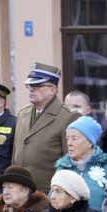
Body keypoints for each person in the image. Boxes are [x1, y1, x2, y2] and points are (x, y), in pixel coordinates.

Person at [12, 62, 74, 193]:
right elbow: (15, 157)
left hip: (48, 195)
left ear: (53, 89)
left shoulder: (68, 116)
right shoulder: (23, 114)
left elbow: (71, 162)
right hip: (21, 194)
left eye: (37, 86)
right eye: (30, 85)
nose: (31, 89)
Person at [54, 116, 107, 211]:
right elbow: (52, 202)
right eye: (68, 138)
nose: (69, 143)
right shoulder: (63, 168)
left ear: (90, 143)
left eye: (74, 138)